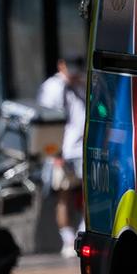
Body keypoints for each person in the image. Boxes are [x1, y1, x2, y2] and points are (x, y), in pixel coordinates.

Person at [37, 55, 87, 258]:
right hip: (64, 150)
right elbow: (48, 119)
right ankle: (67, 240)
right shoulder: (53, 87)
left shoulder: (81, 85)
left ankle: (82, 234)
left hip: (82, 148)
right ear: (61, 65)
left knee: (87, 196)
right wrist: (54, 152)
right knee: (64, 195)